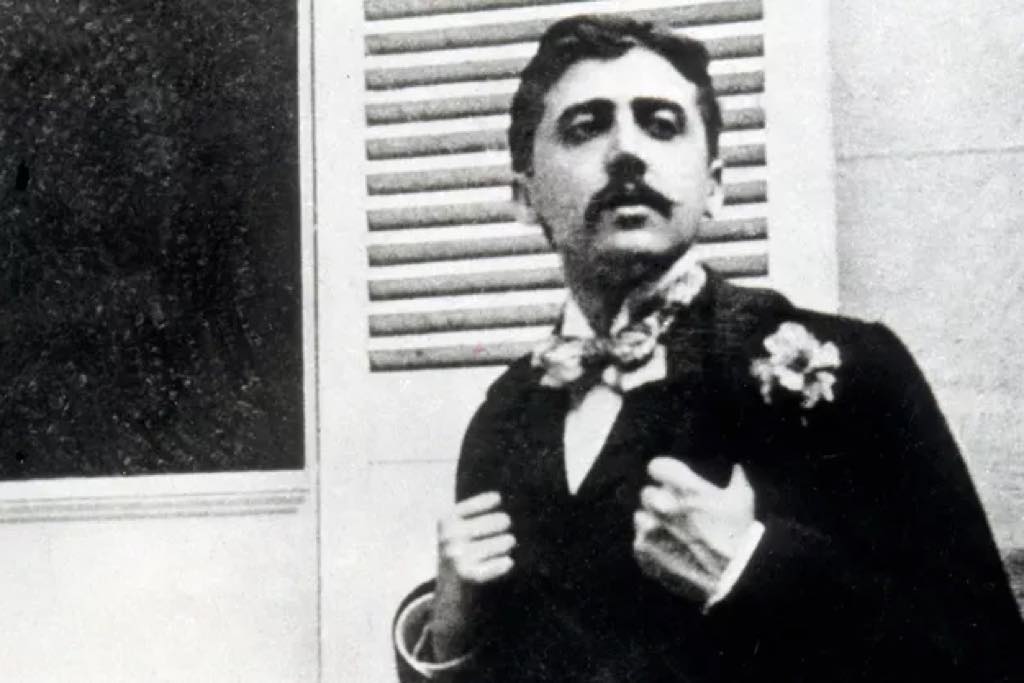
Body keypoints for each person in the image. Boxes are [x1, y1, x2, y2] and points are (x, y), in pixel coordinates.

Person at [391, 15, 1024, 683]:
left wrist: (751, 570)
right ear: (525, 196)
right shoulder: (507, 414)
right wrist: (449, 637)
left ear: (714, 183)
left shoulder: (844, 367)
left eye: (661, 124)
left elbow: (991, 663)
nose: (626, 152)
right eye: (585, 127)